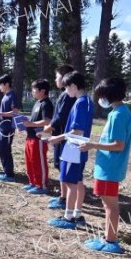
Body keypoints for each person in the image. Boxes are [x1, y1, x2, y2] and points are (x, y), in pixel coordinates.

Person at [81, 78, 131, 254]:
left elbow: (119, 145)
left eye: (101, 96)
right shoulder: (120, 112)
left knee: (110, 205)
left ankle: (110, 240)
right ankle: (107, 237)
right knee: (108, 204)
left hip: (109, 168)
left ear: (108, 96)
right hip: (107, 167)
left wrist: (93, 145)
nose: (100, 100)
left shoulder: (118, 115)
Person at [46, 71, 94, 230]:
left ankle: (68, 217)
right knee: (78, 181)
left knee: (70, 182)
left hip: (75, 148)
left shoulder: (81, 103)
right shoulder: (85, 101)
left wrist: (57, 138)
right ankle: (78, 213)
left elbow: (77, 131)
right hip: (77, 148)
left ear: (73, 86)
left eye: (67, 87)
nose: (66, 91)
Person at [42, 64, 76, 209]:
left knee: (63, 167)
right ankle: (63, 196)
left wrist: (48, 128)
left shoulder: (68, 96)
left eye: (57, 76)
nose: (55, 79)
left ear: (64, 77)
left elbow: (61, 116)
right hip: (59, 136)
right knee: (59, 165)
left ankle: (66, 199)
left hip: (64, 137)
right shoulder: (64, 94)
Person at [22, 79, 54, 195]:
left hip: (39, 138)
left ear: (42, 91)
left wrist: (31, 124)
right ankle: (33, 182)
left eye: (34, 89)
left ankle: (42, 185)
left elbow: (47, 121)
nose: (32, 92)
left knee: (39, 161)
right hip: (30, 136)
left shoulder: (47, 104)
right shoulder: (37, 103)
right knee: (30, 160)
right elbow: (35, 119)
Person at [0, 74, 21, 182]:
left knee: (5, 149)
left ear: (6, 84)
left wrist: (0, 114)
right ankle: (6, 171)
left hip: (8, 128)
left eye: (0, 85)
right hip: (2, 128)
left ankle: (10, 174)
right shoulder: (5, 96)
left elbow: (15, 112)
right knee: (1, 149)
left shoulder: (12, 95)